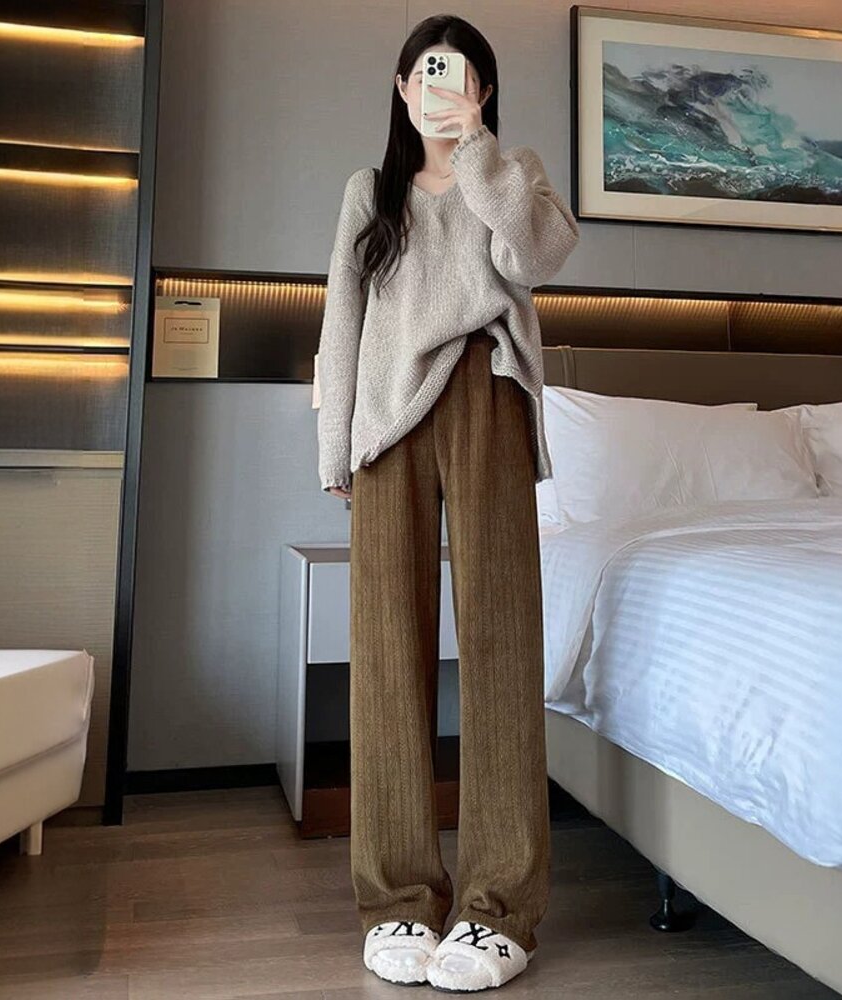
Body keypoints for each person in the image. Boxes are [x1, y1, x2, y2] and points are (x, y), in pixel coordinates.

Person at [315, 13, 579, 993]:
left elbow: (539, 257)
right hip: (387, 418)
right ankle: (397, 897)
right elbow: (342, 319)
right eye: (426, 73)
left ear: (482, 91)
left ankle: (499, 905)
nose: (440, 86)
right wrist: (333, 443)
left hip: (487, 394)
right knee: (386, 646)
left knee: (502, 643)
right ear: (400, 87)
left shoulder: (512, 173)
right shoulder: (369, 191)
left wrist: (478, 154)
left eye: (460, 75)